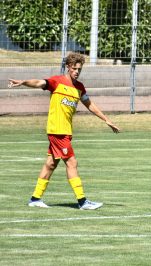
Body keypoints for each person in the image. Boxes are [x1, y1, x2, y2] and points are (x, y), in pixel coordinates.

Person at [8, 52, 120, 210]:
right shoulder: (57, 82)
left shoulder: (79, 87)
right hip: (57, 130)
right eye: (74, 68)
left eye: (79, 69)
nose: (77, 71)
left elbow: (90, 104)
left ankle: (35, 199)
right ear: (68, 67)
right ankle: (82, 201)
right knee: (72, 162)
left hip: (65, 131)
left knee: (50, 164)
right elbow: (39, 83)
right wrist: (23, 82)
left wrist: (106, 119)